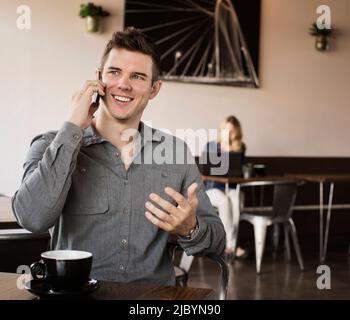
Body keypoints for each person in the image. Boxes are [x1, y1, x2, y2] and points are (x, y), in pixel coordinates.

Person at [11, 27, 225, 285]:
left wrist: (190, 229)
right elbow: (32, 218)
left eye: (137, 76)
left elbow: (218, 241)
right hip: (77, 297)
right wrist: (72, 128)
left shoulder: (176, 153)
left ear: (154, 89)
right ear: (99, 77)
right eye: (114, 72)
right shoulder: (50, 144)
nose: (124, 84)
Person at [203, 115, 247, 260]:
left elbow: (240, 170)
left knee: (235, 199)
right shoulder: (211, 145)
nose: (228, 134)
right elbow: (206, 171)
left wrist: (230, 150)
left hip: (232, 189)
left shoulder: (240, 147)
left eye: (232, 131)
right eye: (225, 130)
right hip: (212, 189)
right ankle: (227, 244)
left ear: (237, 132)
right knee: (224, 200)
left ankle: (231, 245)